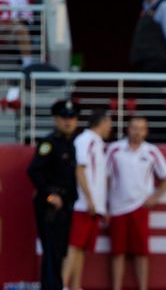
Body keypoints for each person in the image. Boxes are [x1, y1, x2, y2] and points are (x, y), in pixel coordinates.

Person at [106, 116, 166, 290]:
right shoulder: (114, 149)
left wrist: (155, 198)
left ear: (146, 131)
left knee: (141, 252)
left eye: (141, 128)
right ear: (128, 129)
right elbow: (105, 177)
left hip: (140, 207)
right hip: (117, 207)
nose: (137, 132)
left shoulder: (151, 151)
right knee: (117, 252)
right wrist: (105, 204)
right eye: (134, 128)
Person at [26, 99, 80, 290]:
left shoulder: (75, 143)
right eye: (64, 118)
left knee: (61, 250)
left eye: (72, 118)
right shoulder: (49, 143)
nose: (68, 122)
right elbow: (34, 171)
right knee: (51, 250)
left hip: (67, 203)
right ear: (56, 120)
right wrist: (50, 195)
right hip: (50, 206)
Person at [62, 109, 112, 290]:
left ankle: (76, 285)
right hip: (83, 204)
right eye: (109, 123)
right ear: (102, 122)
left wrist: (101, 206)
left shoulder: (98, 143)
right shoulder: (85, 140)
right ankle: (63, 284)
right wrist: (89, 199)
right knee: (74, 246)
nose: (110, 128)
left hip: (93, 206)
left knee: (82, 248)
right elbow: (80, 170)